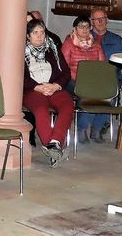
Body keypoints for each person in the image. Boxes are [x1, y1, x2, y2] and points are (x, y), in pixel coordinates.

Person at [23, 19, 75, 167]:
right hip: (33, 90)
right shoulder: (21, 52)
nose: (40, 36)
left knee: (67, 105)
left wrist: (56, 85)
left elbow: (65, 72)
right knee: (41, 110)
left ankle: (54, 143)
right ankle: (54, 149)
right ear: (28, 36)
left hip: (53, 87)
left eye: (42, 32)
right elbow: (19, 76)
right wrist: (36, 87)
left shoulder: (52, 49)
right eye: (35, 33)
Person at [61, 15, 108, 143]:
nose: (84, 29)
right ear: (75, 29)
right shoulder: (68, 44)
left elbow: (102, 65)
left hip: (92, 81)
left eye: (87, 26)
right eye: (81, 27)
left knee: (108, 95)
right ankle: (82, 129)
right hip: (72, 80)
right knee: (89, 94)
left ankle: (96, 129)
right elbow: (63, 68)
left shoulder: (96, 45)